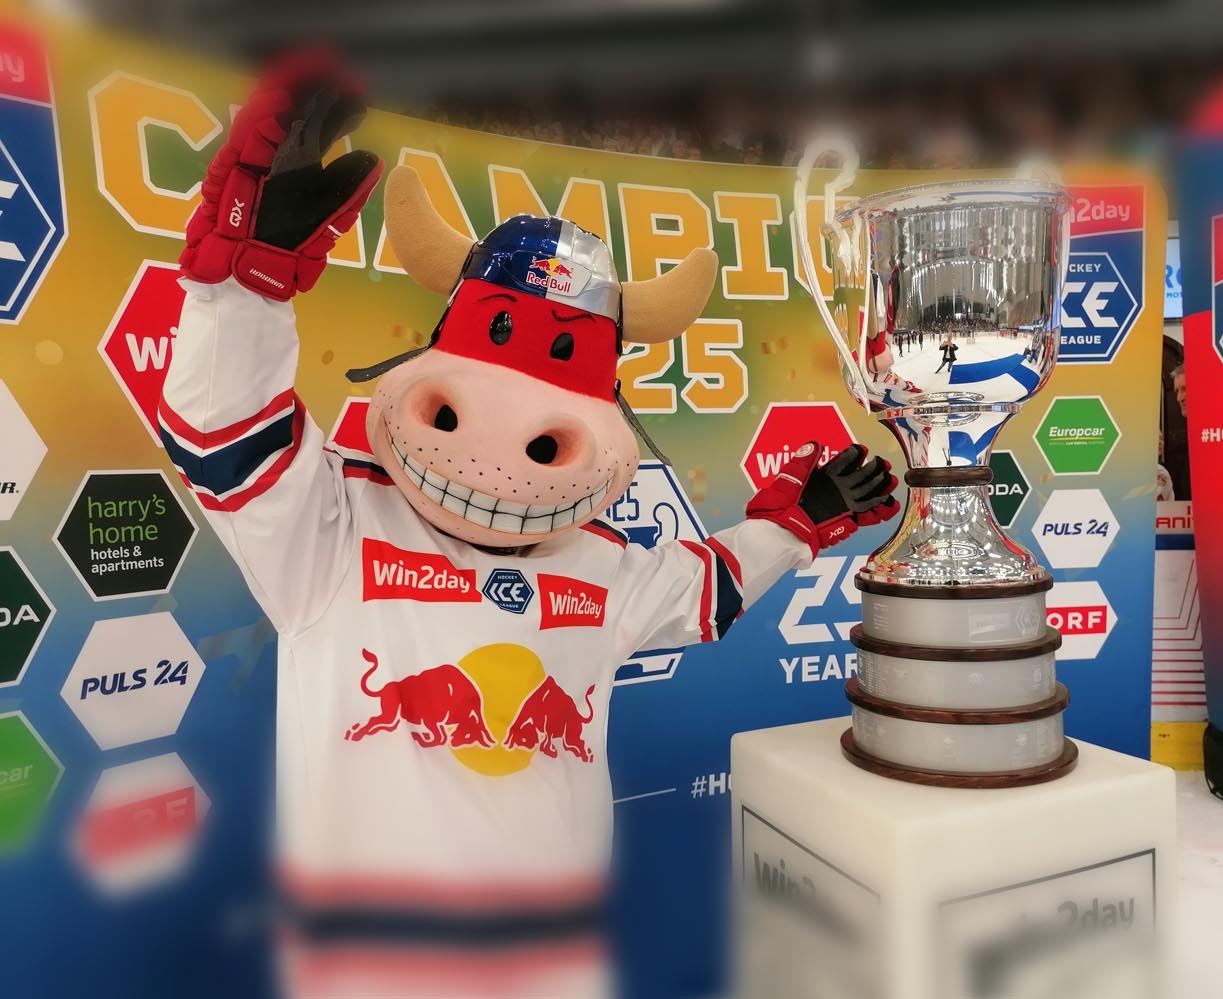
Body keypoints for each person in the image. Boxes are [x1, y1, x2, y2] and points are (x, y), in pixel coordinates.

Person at [162, 58, 900, 999]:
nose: (511, 435)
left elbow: (704, 590)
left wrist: (797, 523)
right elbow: (221, 432)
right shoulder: (335, 524)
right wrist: (247, 281)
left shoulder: (600, 561)